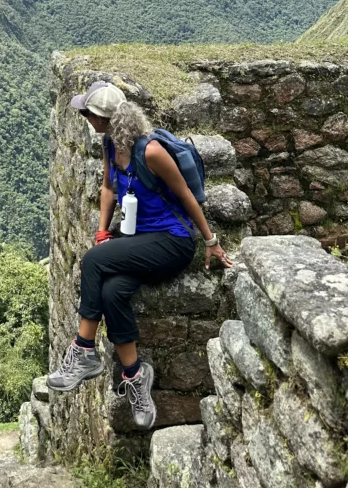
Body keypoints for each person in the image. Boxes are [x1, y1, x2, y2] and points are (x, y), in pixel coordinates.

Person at [47, 81, 233, 430]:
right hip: (139, 239)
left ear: (104, 118)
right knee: (111, 292)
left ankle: (83, 350)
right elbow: (108, 188)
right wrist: (103, 231)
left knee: (93, 261)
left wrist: (210, 240)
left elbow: (187, 197)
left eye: (88, 113)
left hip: (172, 241)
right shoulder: (108, 144)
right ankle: (135, 375)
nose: (85, 117)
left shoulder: (150, 152)